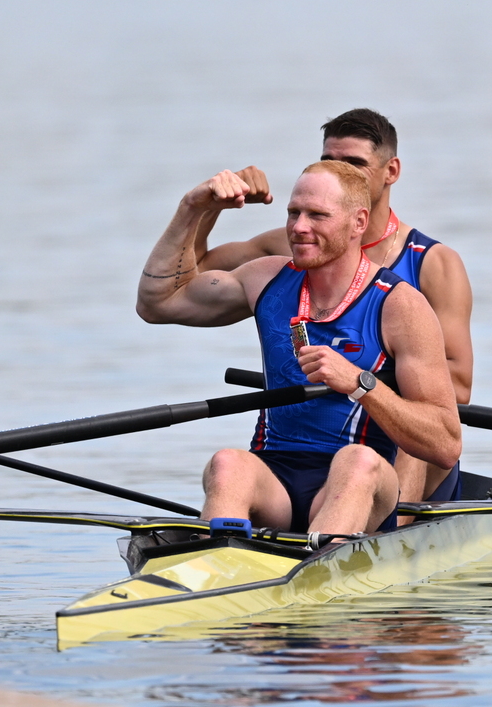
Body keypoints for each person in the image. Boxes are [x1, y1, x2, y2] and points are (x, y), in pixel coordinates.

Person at [136, 160, 461, 540]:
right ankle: (214, 566)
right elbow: (157, 305)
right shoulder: (265, 279)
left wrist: (359, 383)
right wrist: (192, 208)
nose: (299, 228)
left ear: (358, 222)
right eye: (293, 213)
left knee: (357, 463)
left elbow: (445, 443)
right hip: (276, 482)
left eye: (317, 215)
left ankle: (317, 566)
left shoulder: (400, 306)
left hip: (358, 483)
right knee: (228, 464)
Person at [183, 109, 474, 509]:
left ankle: (392, 540)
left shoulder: (433, 263)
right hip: (306, 440)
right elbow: (185, 274)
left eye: (354, 163)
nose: (340, 171)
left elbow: (458, 386)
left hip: (391, 439)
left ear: (391, 171)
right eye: (330, 161)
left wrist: (361, 375)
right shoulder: (294, 246)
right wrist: (214, 204)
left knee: (401, 429)